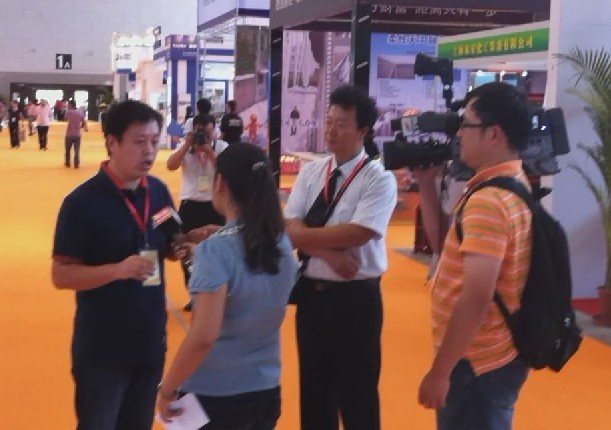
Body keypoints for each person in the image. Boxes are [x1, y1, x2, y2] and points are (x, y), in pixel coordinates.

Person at [51, 100, 181, 430]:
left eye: (154, 141)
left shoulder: (159, 192)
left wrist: (185, 245)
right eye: (139, 142)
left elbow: (169, 237)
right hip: (103, 351)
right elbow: (61, 275)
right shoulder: (81, 204)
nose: (149, 151)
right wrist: (117, 270)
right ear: (112, 142)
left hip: (150, 342)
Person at [416, 82, 533, 430]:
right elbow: (448, 246)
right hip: (492, 355)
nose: (459, 134)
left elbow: (477, 295)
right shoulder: (509, 184)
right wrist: (426, 185)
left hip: (476, 364)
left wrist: (441, 371)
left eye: (466, 124)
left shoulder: (489, 201)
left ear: (493, 133)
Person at [157, 143, 299, 428]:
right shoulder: (281, 242)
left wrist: (168, 387)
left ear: (219, 182)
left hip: (215, 395)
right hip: (265, 388)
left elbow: (204, 336)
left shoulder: (216, 251)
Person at [284, 84, 397, 430]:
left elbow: (358, 233)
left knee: (358, 396)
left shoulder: (379, 179)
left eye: (341, 124)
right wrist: (326, 255)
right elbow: (288, 225)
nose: (331, 130)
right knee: (314, 395)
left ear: (363, 131)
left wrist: (302, 238)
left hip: (356, 300)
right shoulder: (312, 172)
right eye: (329, 121)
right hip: (312, 296)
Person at [167, 113, 227, 311]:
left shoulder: (221, 147)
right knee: (185, 250)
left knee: (218, 251)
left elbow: (227, 171)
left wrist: (209, 151)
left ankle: (217, 292)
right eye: (200, 132)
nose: (203, 137)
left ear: (214, 131)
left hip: (215, 206)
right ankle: (194, 293)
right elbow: (171, 165)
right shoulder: (186, 147)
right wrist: (187, 145)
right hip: (190, 205)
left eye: (207, 132)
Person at [64, 100, 88, 168]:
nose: (67, 106)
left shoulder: (68, 112)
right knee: (77, 150)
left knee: (68, 150)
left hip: (69, 134)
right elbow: (84, 122)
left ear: (71, 105)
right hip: (77, 134)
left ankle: (67, 163)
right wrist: (83, 127)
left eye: (68, 104)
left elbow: (65, 118)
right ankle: (76, 163)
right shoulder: (80, 112)